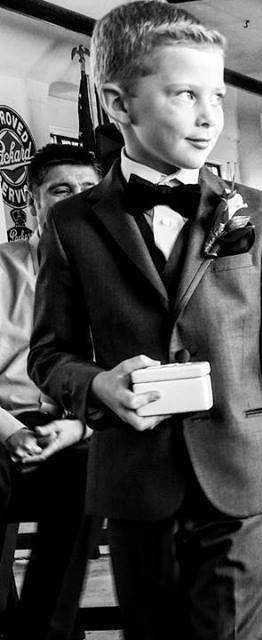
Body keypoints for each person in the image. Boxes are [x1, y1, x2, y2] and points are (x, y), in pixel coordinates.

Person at [27, 3, 262, 638]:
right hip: (136, 486)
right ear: (119, 102)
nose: (208, 116)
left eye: (216, 96)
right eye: (184, 94)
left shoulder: (258, 213)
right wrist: (97, 386)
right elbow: (49, 355)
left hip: (244, 475)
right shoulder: (73, 225)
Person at [0, 144, 101, 640]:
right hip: (5, 426)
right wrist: (9, 431)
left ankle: (42, 633)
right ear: (33, 200)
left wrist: (80, 423)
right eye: (60, 190)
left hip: (83, 429)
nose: (76, 200)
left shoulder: (119, 278)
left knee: (88, 475)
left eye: (88, 189)